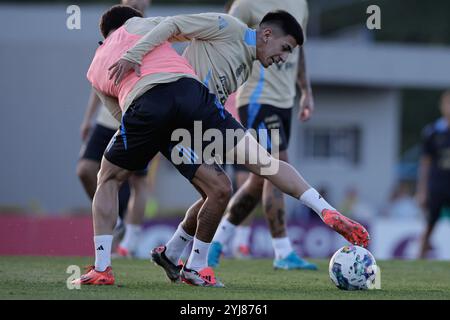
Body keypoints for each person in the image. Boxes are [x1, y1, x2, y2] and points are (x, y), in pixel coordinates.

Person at [72, 6, 369, 288]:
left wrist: (142, 136)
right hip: (191, 101)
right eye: (285, 48)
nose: (283, 58)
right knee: (244, 174)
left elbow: (120, 114)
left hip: (169, 119)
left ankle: (122, 263)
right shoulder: (228, 26)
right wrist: (135, 54)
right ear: (266, 34)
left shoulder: (95, 66)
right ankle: (193, 261)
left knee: (210, 189)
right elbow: (172, 25)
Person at [206, 0, 317, 270]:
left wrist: (306, 91)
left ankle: (216, 242)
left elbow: (298, 49)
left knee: (259, 179)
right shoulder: (246, 4)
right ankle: (282, 251)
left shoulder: (300, 5)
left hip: (284, 101)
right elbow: (224, 38)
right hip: (257, 98)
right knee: (277, 166)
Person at [76, 0, 151, 258]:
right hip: (108, 118)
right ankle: (115, 222)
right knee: (86, 170)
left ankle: (130, 242)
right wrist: (88, 119)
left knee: (138, 181)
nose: (138, 1)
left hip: (138, 118)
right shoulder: (113, 29)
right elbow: (100, 76)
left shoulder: (154, 30)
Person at [415, 90, 450, 259]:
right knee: (429, 226)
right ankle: (419, 259)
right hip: (437, 186)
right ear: (442, 106)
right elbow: (425, 163)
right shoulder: (433, 132)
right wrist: (422, 191)